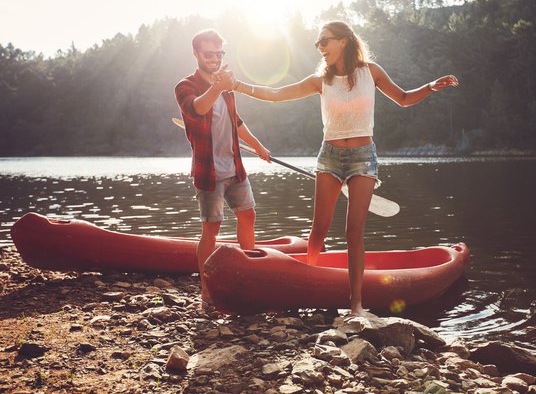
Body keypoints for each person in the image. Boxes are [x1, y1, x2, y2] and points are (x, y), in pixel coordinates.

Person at [229, 21, 459, 316]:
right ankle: (306, 286)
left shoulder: (371, 72)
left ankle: (356, 304)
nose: (320, 47)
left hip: (364, 157)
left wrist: (429, 87)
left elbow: (402, 99)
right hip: (330, 157)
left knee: (354, 232)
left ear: (344, 42)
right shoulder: (319, 80)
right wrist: (237, 85)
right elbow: (276, 94)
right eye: (317, 44)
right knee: (319, 230)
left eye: (325, 41)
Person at [174, 28, 270, 306]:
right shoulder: (185, 86)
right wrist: (218, 85)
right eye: (209, 54)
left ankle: (249, 275)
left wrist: (259, 145)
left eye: (219, 54)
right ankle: (207, 287)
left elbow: (236, 121)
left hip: (234, 165)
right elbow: (197, 109)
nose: (214, 59)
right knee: (211, 228)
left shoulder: (224, 86)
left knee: (248, 216)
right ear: (196, 54)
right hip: (209, 171)